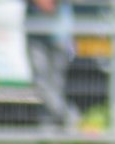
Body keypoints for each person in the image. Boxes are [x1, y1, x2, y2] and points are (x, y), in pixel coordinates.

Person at [26, 0, 78, 129]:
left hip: (60, 32)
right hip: (35, 30)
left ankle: (50, 126)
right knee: (41, 83)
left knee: (56, 84)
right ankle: (68, 116)